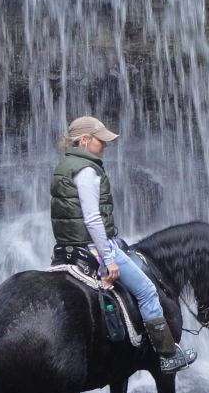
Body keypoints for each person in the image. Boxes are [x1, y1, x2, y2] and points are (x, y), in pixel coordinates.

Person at [51, 115, 196, 374]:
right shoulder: (87, 170)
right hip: (93, 248)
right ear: (84, 140)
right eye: (100, 140)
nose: (105, 145)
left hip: (66, 249)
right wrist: (109, 259)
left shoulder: (65, 166)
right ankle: (167, 355)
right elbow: (92, 219)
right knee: (147, 291)